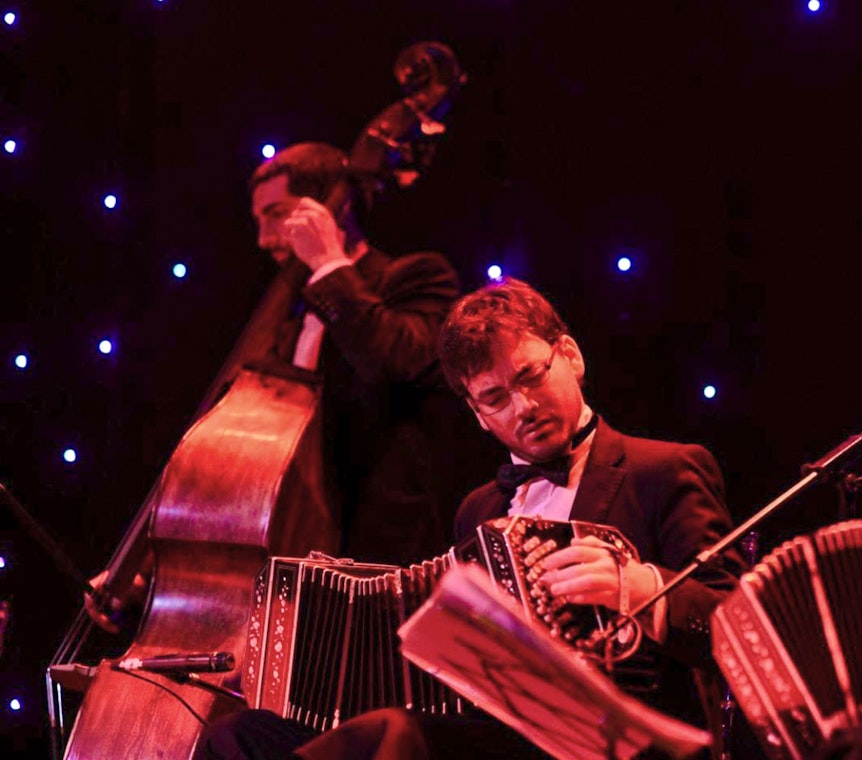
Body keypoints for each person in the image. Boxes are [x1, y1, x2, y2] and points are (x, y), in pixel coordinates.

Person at [195, 277, 746, 759]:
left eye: (530, 376)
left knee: (397, 735)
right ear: (477, 414)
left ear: (571, 356)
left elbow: (739, 627)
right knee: (239, 736)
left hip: (612, 744)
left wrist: (643, 587)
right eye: (495, 398)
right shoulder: (478, 510)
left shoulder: (665, 470)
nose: (523, 407)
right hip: (493, 736)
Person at [85, 141, 488, 630]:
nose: (262, 238)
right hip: (290, 577)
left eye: (275, 215)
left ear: (328, 209)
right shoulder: (285, 321)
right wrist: (148, 574)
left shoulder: (417, 277)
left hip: (382, 568)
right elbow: (233, 469)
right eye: (257, 221)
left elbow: (395, 359)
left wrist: (330, 264)